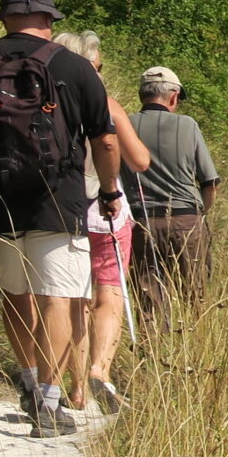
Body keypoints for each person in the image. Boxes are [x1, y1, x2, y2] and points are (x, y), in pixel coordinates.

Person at [0, 0, 121, 439]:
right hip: (58, 198)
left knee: (16, 295)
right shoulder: (76, 68)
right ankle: (49, 398)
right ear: (48, 17)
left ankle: (27, 381)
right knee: (56, 297)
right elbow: (105, 139)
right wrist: (111, 192)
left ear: (5, 16)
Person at [66, 31, 151, 415]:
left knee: (74, 299)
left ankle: (77, 386)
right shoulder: (106, 104)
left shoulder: (50, 104)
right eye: (98, 66)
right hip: (107, 212)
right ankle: (100, 371)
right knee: (109, 295)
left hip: (63, 210)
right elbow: (140, 160)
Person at [129, 64, 220, 317]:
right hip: (185, 220)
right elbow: (210, 183)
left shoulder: (125, 125)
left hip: (142, 222)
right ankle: (194, 348)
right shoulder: (188, 125)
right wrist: (201, 214)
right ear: (173, 96)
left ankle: (153, 352)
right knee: (195, 296)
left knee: (149, 300)